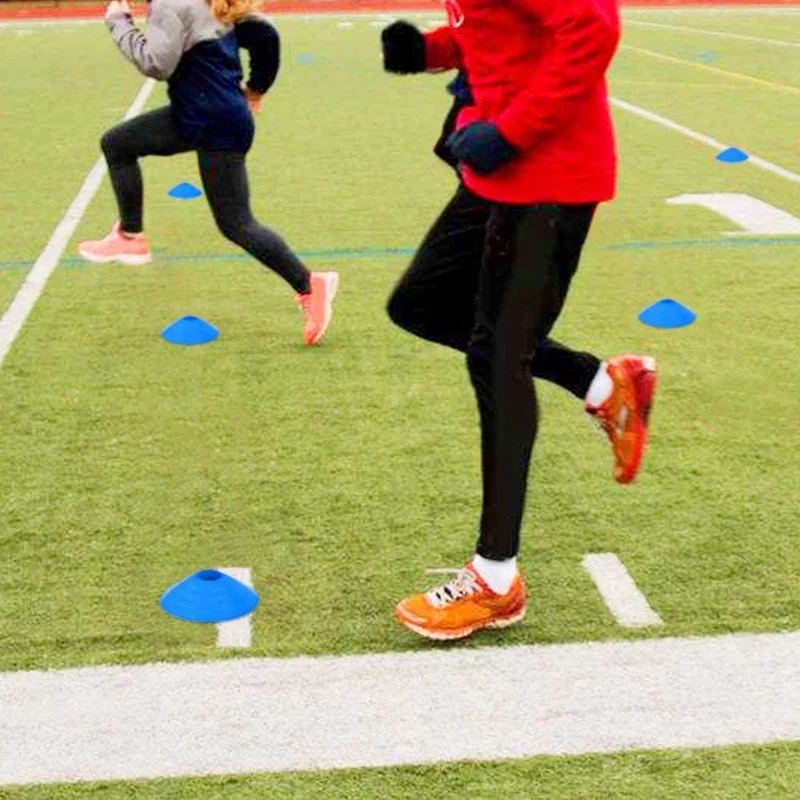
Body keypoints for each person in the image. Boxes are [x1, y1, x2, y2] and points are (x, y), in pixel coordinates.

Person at [381, 3, 657, 641]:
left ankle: (496, 578)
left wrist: (511, 132)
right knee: (420, 303)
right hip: (498, 173)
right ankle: (600, 384)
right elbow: (501, 28)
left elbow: (592, 26)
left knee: (496, 356)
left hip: (548, 175)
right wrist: (432, 52)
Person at [79, 0, 338, 346]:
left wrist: (118, 22)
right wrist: (256, 89)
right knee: (118, 143)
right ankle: (130, 237)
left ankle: (310, 285)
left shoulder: (171, 5)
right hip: (203, 115)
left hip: (212, 122)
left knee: (237, 223)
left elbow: (157, 64)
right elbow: (266, 36)